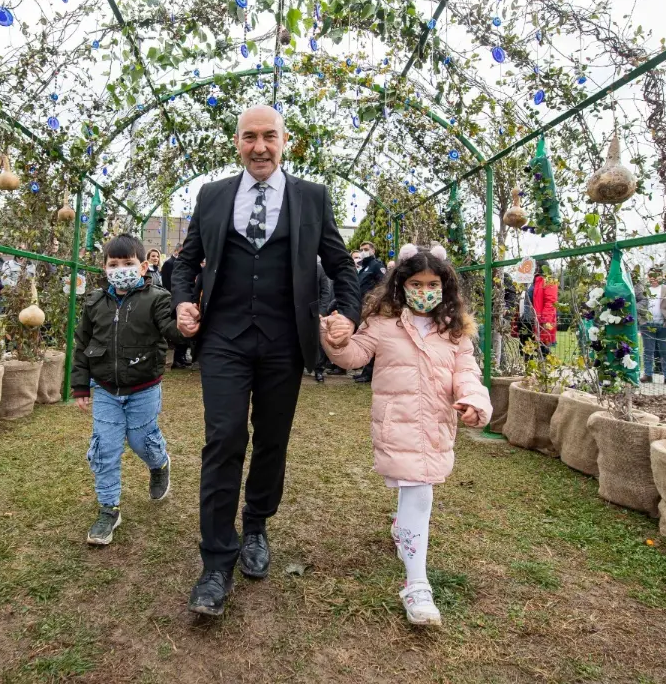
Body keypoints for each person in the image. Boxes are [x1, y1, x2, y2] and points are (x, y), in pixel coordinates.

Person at [172, 105, 360, 617]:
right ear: (237, 142)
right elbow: (187, 262)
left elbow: (342, 266)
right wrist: (182, 301)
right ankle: (216, 560)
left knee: (271, 440)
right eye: (250, 137)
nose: (259, 147)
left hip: (283, 342)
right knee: (224, 437)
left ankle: (256, 525)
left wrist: (346, 313)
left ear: (285, 142)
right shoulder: (211, 196)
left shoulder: (312, 198)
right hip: (224, 340)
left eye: (269, 137)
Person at [321, 243, 491, 626]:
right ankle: (417, 584)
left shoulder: (453, 331)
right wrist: (335, 340)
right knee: (419, 493)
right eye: (416, 282)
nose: (425, 290)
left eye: (433, 283)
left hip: (435, 426)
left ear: (445, 286)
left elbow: (467, 372)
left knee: (417, 489)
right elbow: (353, 357)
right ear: (401, 283)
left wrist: (473, 400)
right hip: (396, 425)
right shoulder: (382, 324)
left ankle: (403, 533)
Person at [71, 234, 183, 546]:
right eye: (114, 264)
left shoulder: (157, 298)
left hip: (144, 388)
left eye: (128, 263)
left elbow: (172, 330)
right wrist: (80, 385)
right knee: (105, 449)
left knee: (140, 441)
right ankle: (109, 509)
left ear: (144, 266)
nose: (121, 269)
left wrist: (187, 324)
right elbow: (82, 346)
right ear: (105, 268)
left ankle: (159, 464)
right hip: (106, 389)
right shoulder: (94, 303)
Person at [350, 241, 388, 383]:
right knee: (365, 338)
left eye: (366, 249)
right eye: (361, 249)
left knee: (372, 339)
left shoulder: (376, 265)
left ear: (373, 250)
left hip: (371, 307)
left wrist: (375, 301)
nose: (363, 252)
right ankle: (365, 371)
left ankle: (369, 373)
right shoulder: (364, 267)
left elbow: (384, 284)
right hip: (361, 307)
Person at [638, 269, 666, 386]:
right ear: (648, 277)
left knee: (665, 350)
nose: (654, 278)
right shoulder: (643, 290)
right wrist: (640, 319)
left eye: (657, 275)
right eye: (651, 275)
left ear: (662, 276)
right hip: (647, 324)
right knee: (648, 350)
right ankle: (648, 375)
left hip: (664, 325)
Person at [517, 268, 558, 358]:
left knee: (541, 350)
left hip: (538, 322)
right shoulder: (531, 281)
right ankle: (529, 370)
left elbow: (550, 302)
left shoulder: (548, 280)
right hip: (526, 322)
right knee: (526, 352)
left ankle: (542, 370)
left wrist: (545, 321)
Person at [161, 246, 190, 368]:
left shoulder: (181, 263)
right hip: (174, 298)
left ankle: (181, 357)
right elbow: (168, 281)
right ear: (177, 251)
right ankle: (178, 359)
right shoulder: (169, 263)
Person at [313, 257, 333, 383]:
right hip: (298, 312)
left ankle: (319, 369)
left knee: (319, 341)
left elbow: (326, 292)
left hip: (316, 311)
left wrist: (321, 311)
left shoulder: (319, 269)